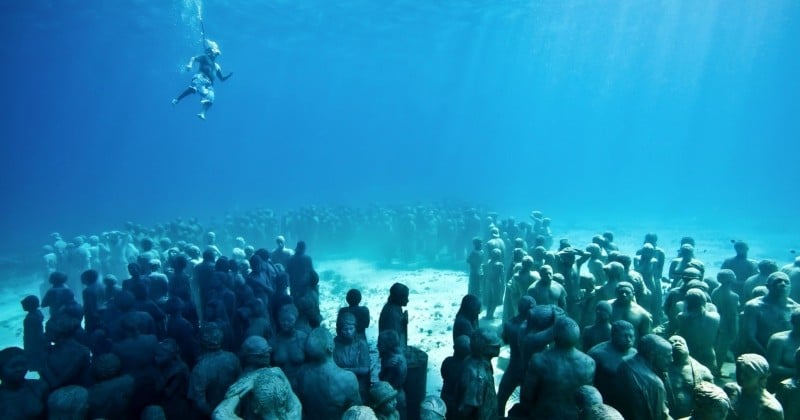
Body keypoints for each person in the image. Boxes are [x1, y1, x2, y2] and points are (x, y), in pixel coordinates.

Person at [172, 39, 233, 120]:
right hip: (200, 77)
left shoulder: (217, 66)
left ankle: (202, 113)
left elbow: (222, 79)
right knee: (193, 88)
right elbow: (193, 58)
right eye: (215, 54)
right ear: (210, 52)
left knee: (210, 99)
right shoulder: (204, 57)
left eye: (217, 55)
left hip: (209, 84)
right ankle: (177, 99)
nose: (215, 56)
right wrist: (189, 64)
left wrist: (229, 75)